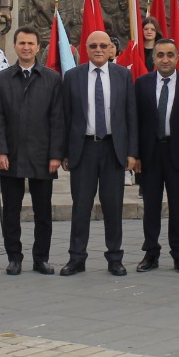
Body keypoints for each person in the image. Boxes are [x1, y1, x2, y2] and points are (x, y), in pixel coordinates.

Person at [61, 31, 139, 275]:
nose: (98, 49)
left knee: (113, 206)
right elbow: (65, 116)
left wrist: (132, 153)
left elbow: (131, 116)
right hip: (82, 149)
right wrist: (64, 151)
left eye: (103, 46)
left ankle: (115, 257)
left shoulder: (123, 75)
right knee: (81, 206)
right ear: (86, 48)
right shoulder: (72, 76)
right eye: (93, 45)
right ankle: (77, 257)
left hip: (112, 149)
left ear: (111, 49)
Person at [0, 27, 65, 275]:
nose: (26, 47)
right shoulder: (2, 78)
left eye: (31, 43)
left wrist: (56, 154)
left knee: (43, 211)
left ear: (38, 47)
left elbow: (57, 119)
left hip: (42, 155)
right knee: (11, 212)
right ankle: (14, 258)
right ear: (14, 46)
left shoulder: (52, 78)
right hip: (10, 156)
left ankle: (41, 258)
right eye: (21, 43)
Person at [134, 38, 179, 272]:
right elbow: (135, 120)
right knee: (151, 206)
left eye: (170, 54)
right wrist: (135, 154)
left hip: (177, 152)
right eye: (160, 55)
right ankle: (151, 253)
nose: (165, 59)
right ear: (153, 58)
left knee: (178, 206)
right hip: (149, 154)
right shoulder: (141, 84)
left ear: (177, 58)